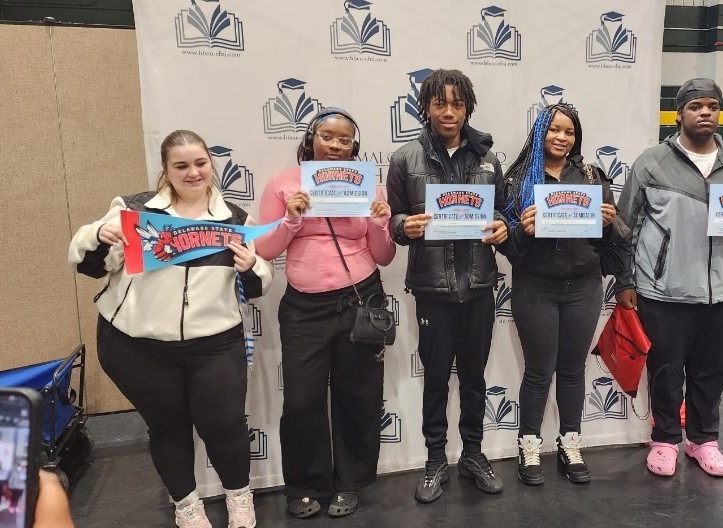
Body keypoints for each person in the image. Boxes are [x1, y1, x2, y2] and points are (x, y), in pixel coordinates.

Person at [69, 129, 273, 528]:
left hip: (215, 345)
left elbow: (260, 284)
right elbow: (89, 265)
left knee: (226, 425)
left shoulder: (235, 218)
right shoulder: (135, 210)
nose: (193, 172)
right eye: (181, 165)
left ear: (210, 165)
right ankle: (187, 505)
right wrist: (99, 234)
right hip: (137, 345)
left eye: (200, 163)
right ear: (166, 170)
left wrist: (251, 268)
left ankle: (239, 498)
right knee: (167, 427)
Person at [616, 78, 723, 478]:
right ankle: (664, 440)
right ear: (680, 114)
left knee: (712, 371)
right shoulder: (651, 163)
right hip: (664, 291)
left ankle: (703, 439)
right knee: (665, 371)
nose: (705, 112)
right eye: (696, 106)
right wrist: (625, 282)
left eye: (712, 105)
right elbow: (624, 227)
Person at [255, 107, 395, 519]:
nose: (336, 145)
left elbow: (384, 256)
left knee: (358, 396)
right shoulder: (284, 185)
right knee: (301, 401)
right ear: (310, 139)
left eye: (345, 140)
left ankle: (350, 482)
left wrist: (380, 223)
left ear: (355, 147)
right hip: (304, 307)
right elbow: (265, 249)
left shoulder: (371, 187)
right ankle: (305, 484)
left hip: (361, 298)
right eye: (328, 137)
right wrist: (292, 220)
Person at [386, 69, 508, 503]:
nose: (450, 112)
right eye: (441, 103)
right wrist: (406, 226)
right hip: (432, 288)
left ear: (468, 106)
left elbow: (505, 217)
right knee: (436, 378)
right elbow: (393, 221)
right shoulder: (406, 158)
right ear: (427, 106)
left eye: (457, 103)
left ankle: (473, 453)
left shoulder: (489, 158)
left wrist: (502, 229)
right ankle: (435, 459)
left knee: (474, 377)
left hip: (478, 285)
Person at [497, 103, 627, 486]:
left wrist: (607, 223)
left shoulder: (590, 175)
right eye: (554, 129)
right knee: (538, 372)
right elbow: (508, 249)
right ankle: (529, 444)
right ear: (540, 132)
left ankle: (571, 442)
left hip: (583, 287)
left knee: (572, 370)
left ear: (576, 137)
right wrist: (522, 228)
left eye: (568, 131)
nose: (561, 137)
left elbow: (609, 242)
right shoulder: (518, 180)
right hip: (535, 287)